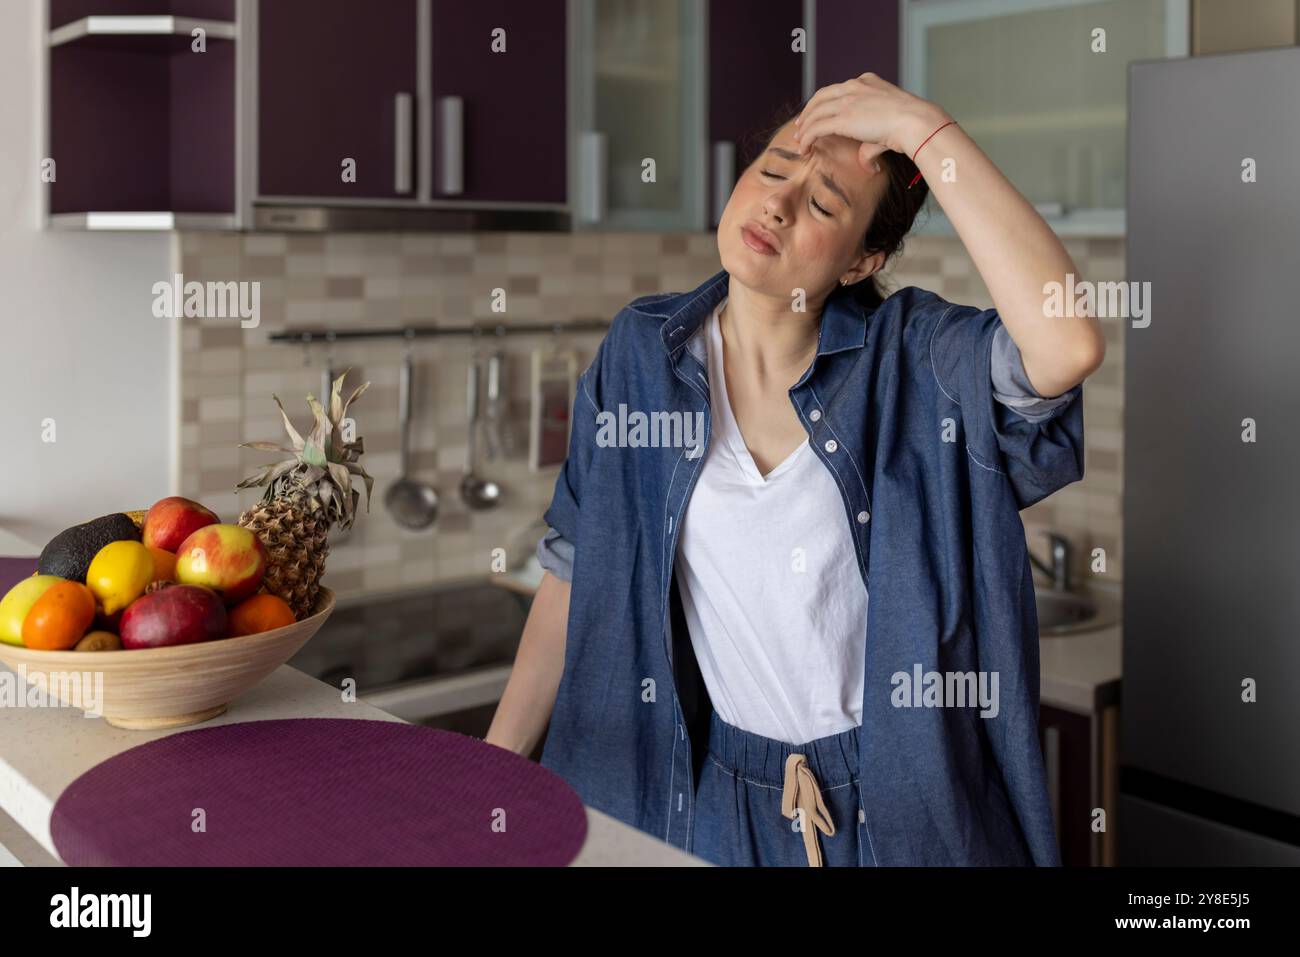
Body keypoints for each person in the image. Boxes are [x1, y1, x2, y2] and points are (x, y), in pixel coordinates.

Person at [487, 73, 1104, 867]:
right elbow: (575, 572)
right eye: (775, 170)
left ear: (861, 261)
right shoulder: (640, 356)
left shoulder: (917, 362)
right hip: (718, 801)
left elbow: (1067, 344)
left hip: (907, 806)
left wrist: (926, 131)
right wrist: (493, 773)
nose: (777, 204)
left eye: (822, 205)